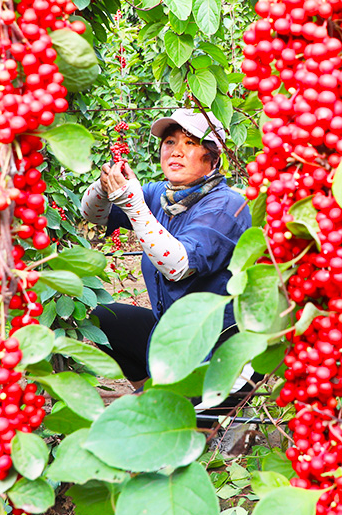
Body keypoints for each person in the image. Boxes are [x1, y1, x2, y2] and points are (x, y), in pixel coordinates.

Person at [80, 108, 252, 399]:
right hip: (173, 333)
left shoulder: (226, 205)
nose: (177, 151)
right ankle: (150, 388)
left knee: (192, 432)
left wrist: (134, 205)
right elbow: (93, 216)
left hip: (215, 347)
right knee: (105, 316)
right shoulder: (161, 193)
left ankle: (229, 402)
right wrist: (105, 185)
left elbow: (177, 265)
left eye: (190, 143)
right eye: (170, 142)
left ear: (212, 156)